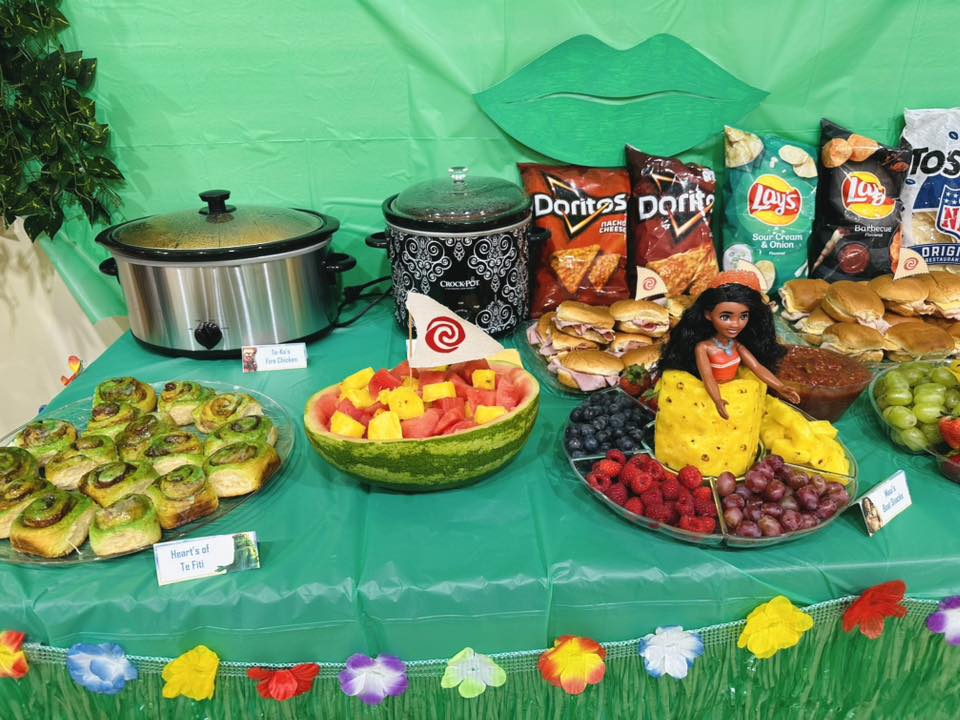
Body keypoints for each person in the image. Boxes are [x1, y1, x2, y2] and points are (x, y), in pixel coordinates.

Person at [659, 271, 800, 419]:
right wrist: (717, 399)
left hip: (737, 397)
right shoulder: (703, 348)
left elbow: (757, 367)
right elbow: (708, 377)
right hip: (708, 400)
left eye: (743, 316)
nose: (736, 324)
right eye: (725, 317)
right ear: (708, 315)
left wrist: (780, 386)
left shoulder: (737, 346)